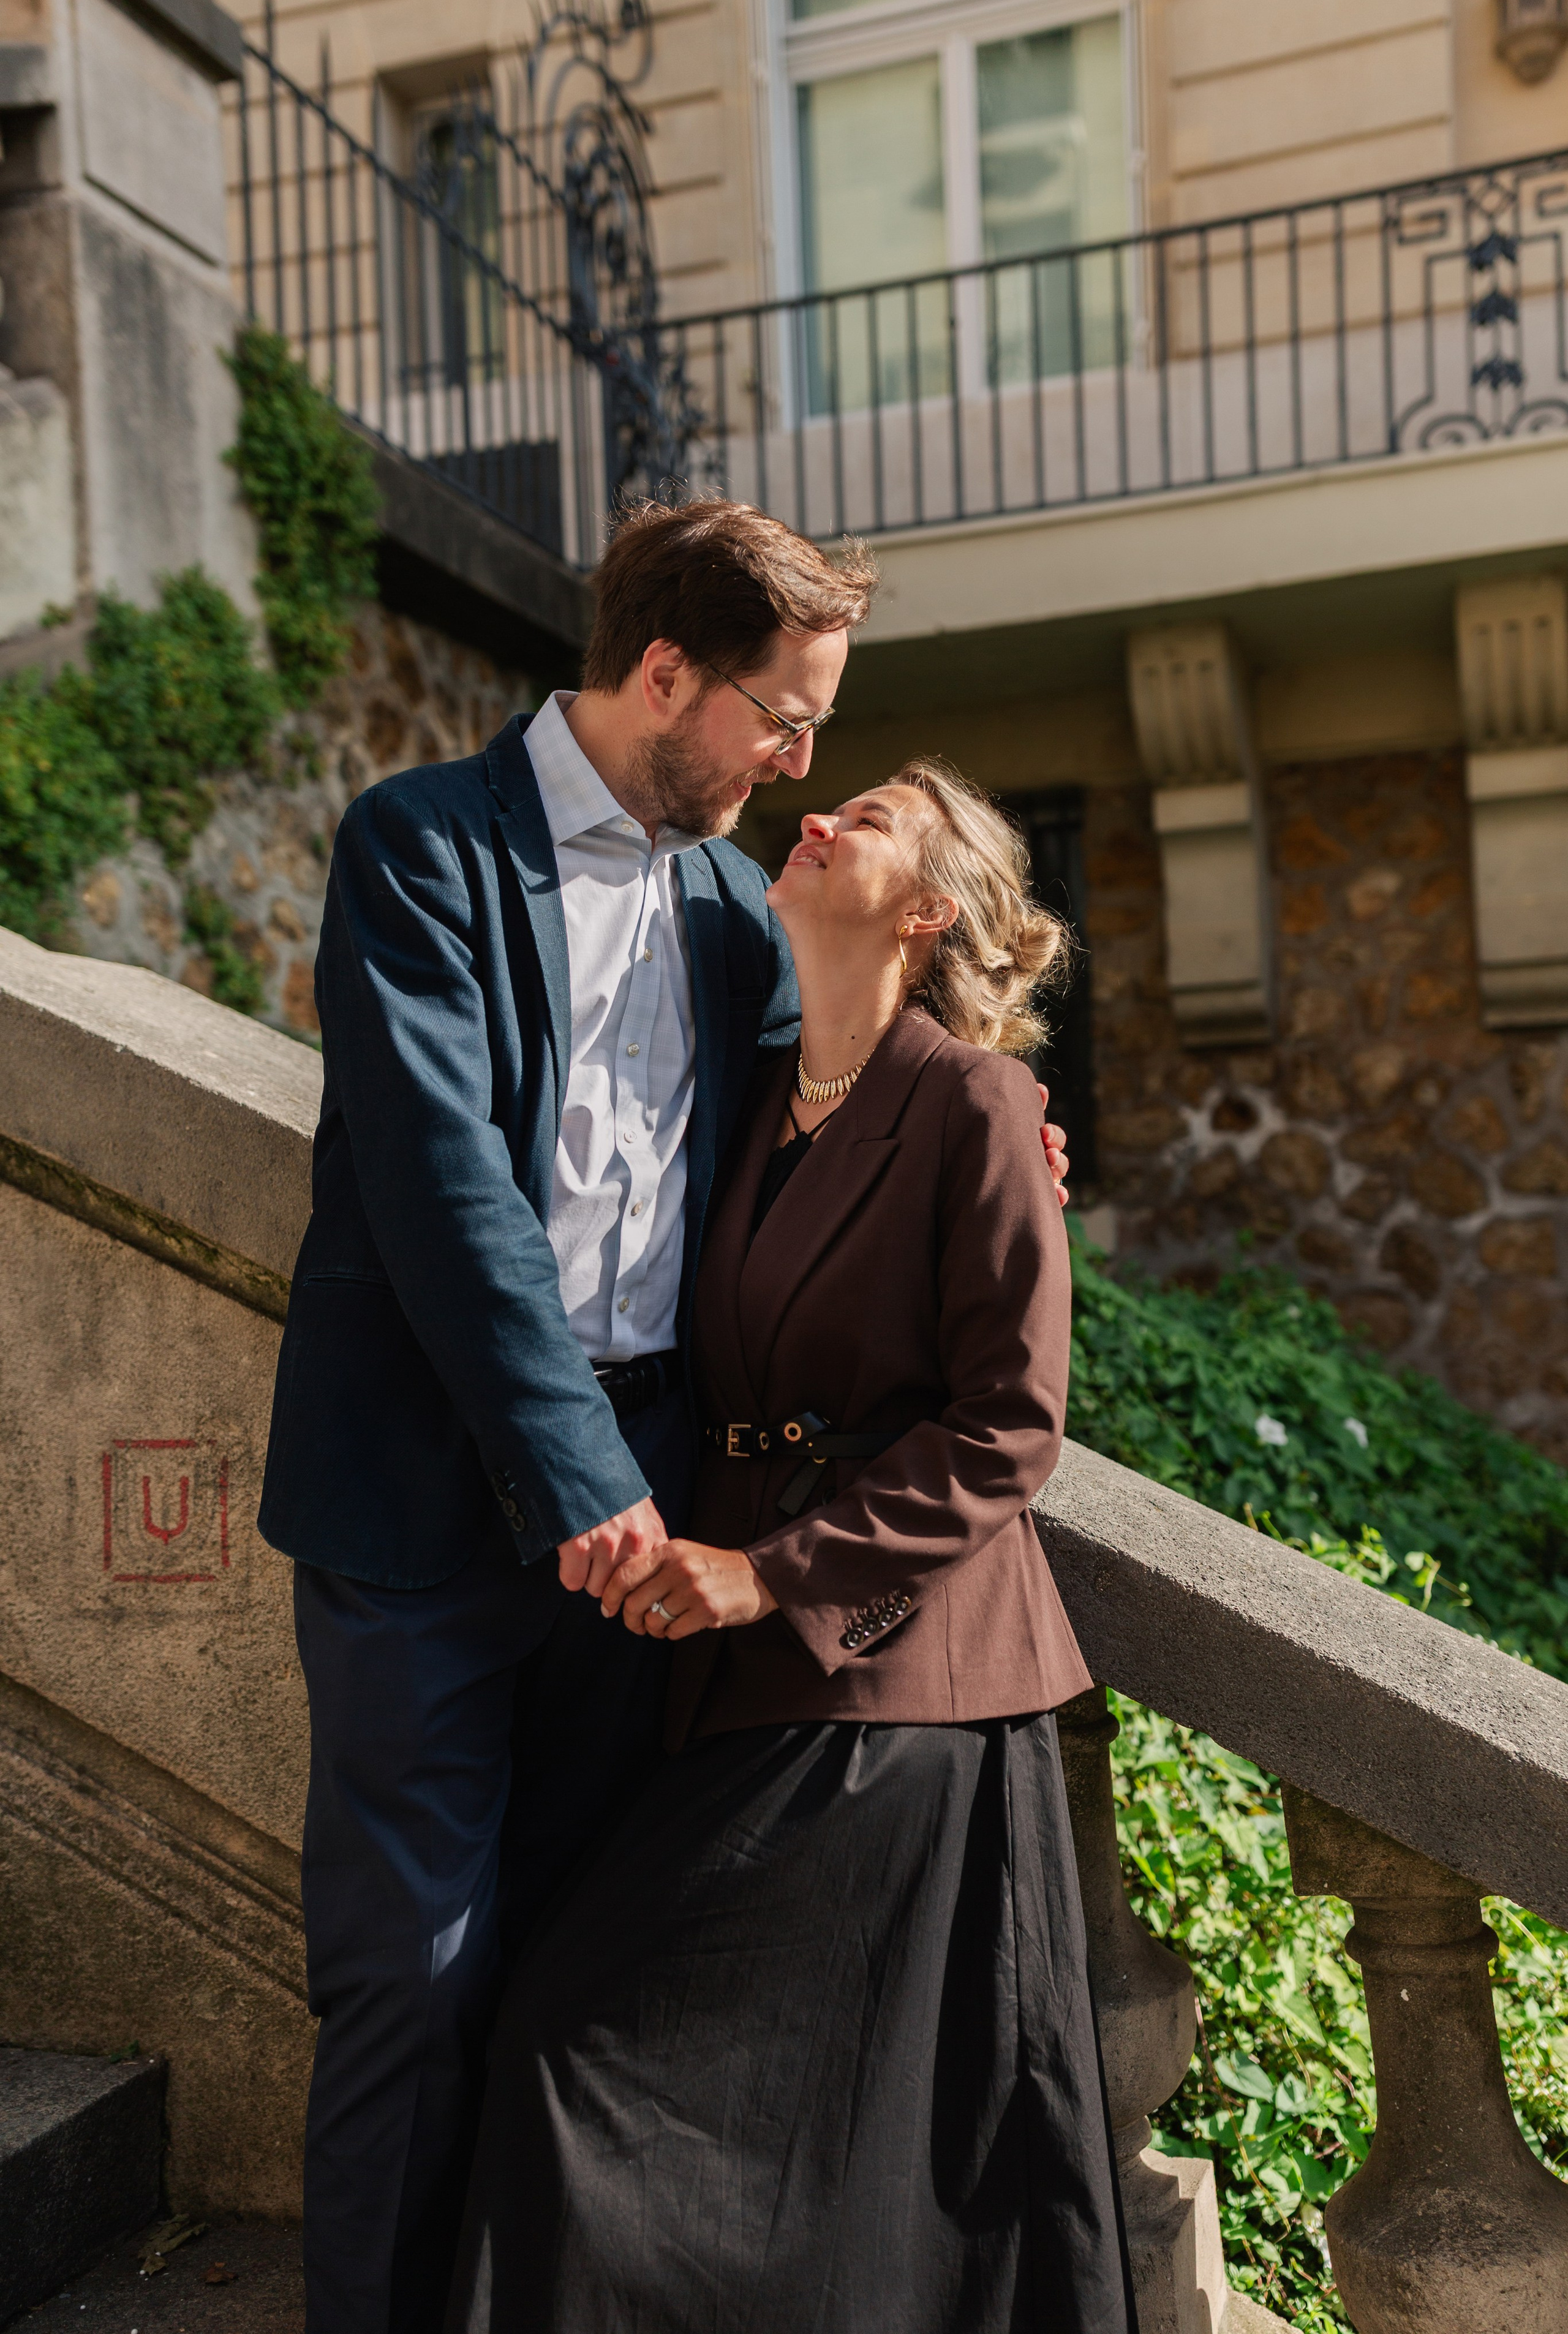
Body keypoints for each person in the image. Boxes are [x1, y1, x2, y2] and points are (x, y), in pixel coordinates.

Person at [257, 500, 1072, 2334]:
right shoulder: (419, 848)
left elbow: (874, 1068)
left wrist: (1010, 1143)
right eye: (783, 718)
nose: (804, 759)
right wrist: (583, 1489)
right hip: (429, 1519)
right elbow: (444, 1193)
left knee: (570, 1975)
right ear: (663, 675)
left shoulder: (729, 903)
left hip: (661, 1524)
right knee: (411, 1973)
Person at [446, 760, 1132, 2334]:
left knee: (596, 2060)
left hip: (904, 1695)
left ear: (924, 911)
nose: (816, 816)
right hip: (734, 1678)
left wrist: (766, 1571)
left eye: (869, 814)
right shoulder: (758, 1101)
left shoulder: (973, 1099)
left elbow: (1010, 1427)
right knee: (719, 2122)